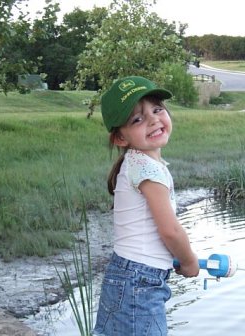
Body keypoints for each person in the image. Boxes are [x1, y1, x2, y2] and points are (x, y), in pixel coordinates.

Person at [93, 76, 199, 336]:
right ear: (120, 137)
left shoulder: (135, 162)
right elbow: (170, 231)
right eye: (137, 119)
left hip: (124, 273)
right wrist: (189, 262)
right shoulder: (148, 169)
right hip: (140, 281)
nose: (153, 120)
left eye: (157, 109)